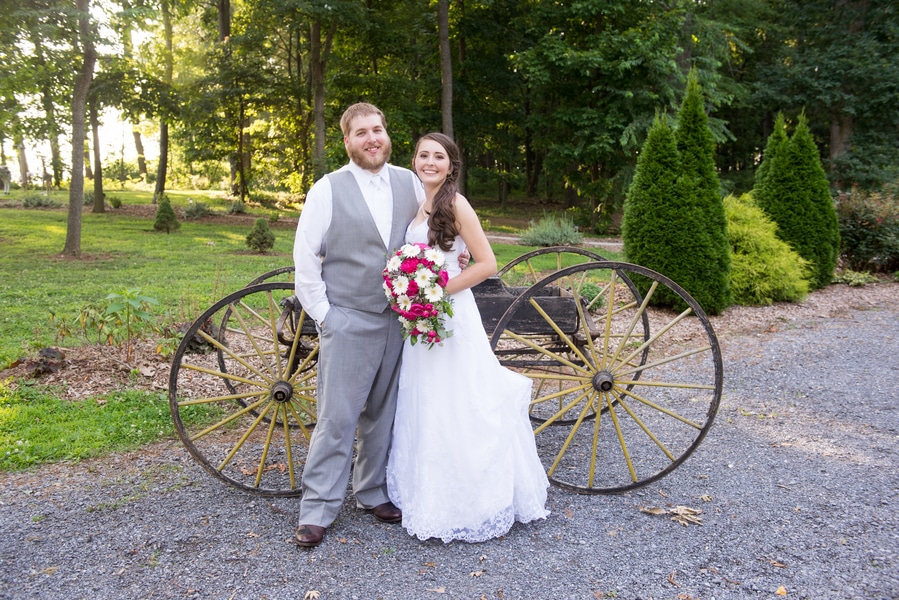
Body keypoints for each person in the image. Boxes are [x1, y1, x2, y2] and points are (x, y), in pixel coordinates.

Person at [386, 132, 550, 543]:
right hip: (421, 320)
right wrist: (409, 290)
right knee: (426, 398)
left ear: (451, 165)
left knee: (458, 397)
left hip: (451, 315)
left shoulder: (455, 203)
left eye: (438, 156)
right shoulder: (420, 202)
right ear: (415, 161)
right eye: (423, 155)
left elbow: (488, 263)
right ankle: (428, 490)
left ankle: (472, 498)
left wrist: (437, 290)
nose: (429, 162)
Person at [291, 102, 422, 548]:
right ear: (347, 141)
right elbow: (305, 261)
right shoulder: (326, 189)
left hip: (398, 321)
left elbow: (434, 235)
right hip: (348, 319)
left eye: (378, 130)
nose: (372, 138)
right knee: (337, 418)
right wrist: (327, 317)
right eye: (361, 132)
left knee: (384, 414)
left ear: (387, 135)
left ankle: (372, 492)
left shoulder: (411, 182)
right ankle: (317, 509)